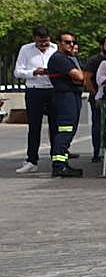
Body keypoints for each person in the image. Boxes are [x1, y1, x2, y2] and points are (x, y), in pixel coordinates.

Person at [13, 25, 57, 174]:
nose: (44, 45)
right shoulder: (26, 50)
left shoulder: (55, 48)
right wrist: (33, 72)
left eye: (46, 42)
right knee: (34, 127)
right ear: (34, 40)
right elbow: (17, 72)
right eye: (40, 42)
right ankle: (32, 159)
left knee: (55, 126)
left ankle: (57, 157)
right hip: (34, 90)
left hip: (52, 90)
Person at [46, 32, 85, 178]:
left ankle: (62, 163)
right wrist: (80, 78)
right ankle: (59, 166)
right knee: (65, 131)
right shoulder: (59, 58)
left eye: (73, 42)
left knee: (68, 131)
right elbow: (79, 76)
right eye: (67, 42)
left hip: (70, 96)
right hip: (65, 97)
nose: (71, 45)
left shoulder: (68, 59)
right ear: (59, 43)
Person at [82, 37, 106, 162]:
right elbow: (87, 79)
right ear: (101, 46)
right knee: (98, 125)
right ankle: (97, 152)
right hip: (98, 98)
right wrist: (95, 95)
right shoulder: (94, 61)